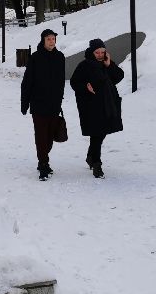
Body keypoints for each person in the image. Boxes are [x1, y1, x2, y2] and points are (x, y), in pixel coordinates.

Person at [69, 38, 125, 179]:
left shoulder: (105, 64)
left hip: (108, 103)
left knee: (101, 133)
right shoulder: (85, 65)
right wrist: (85, 87)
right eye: (97, 52)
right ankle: (97, 163)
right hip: (91, 105)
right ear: (92, 52)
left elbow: (118, 77)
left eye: (102, 52)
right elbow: (74, 82)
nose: (100, 55)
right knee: (97, 134)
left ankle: (90, 156)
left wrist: (109, 64)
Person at [20, 28, 66, 180]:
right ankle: (43, 164)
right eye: (49, 39)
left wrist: (60, 98)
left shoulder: (60, 57)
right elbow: (27, 82)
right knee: (41, 136)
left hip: (54, 105)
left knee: (49, 137)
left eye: (53, 39)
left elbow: (61, 81)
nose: (51, 41)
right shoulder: (35, 57)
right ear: (43, 41)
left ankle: (43, 160)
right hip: (38, 104)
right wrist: (24, 103)